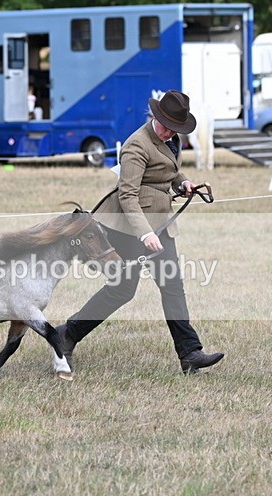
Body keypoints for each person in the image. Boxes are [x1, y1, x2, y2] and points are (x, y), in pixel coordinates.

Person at [55, 90, 225, 374]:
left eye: (175, 128)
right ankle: (66, 336)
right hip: (129, 228)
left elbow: (167, 172)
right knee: (122, 289)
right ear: (155, 116)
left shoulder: (172, 140)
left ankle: (190, 354)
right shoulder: (136, 145)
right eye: (166, 125)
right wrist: (145, 234)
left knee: (172, 286)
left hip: (160, 226)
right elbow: (128, 195)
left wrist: (182, 184)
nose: (169, 132)